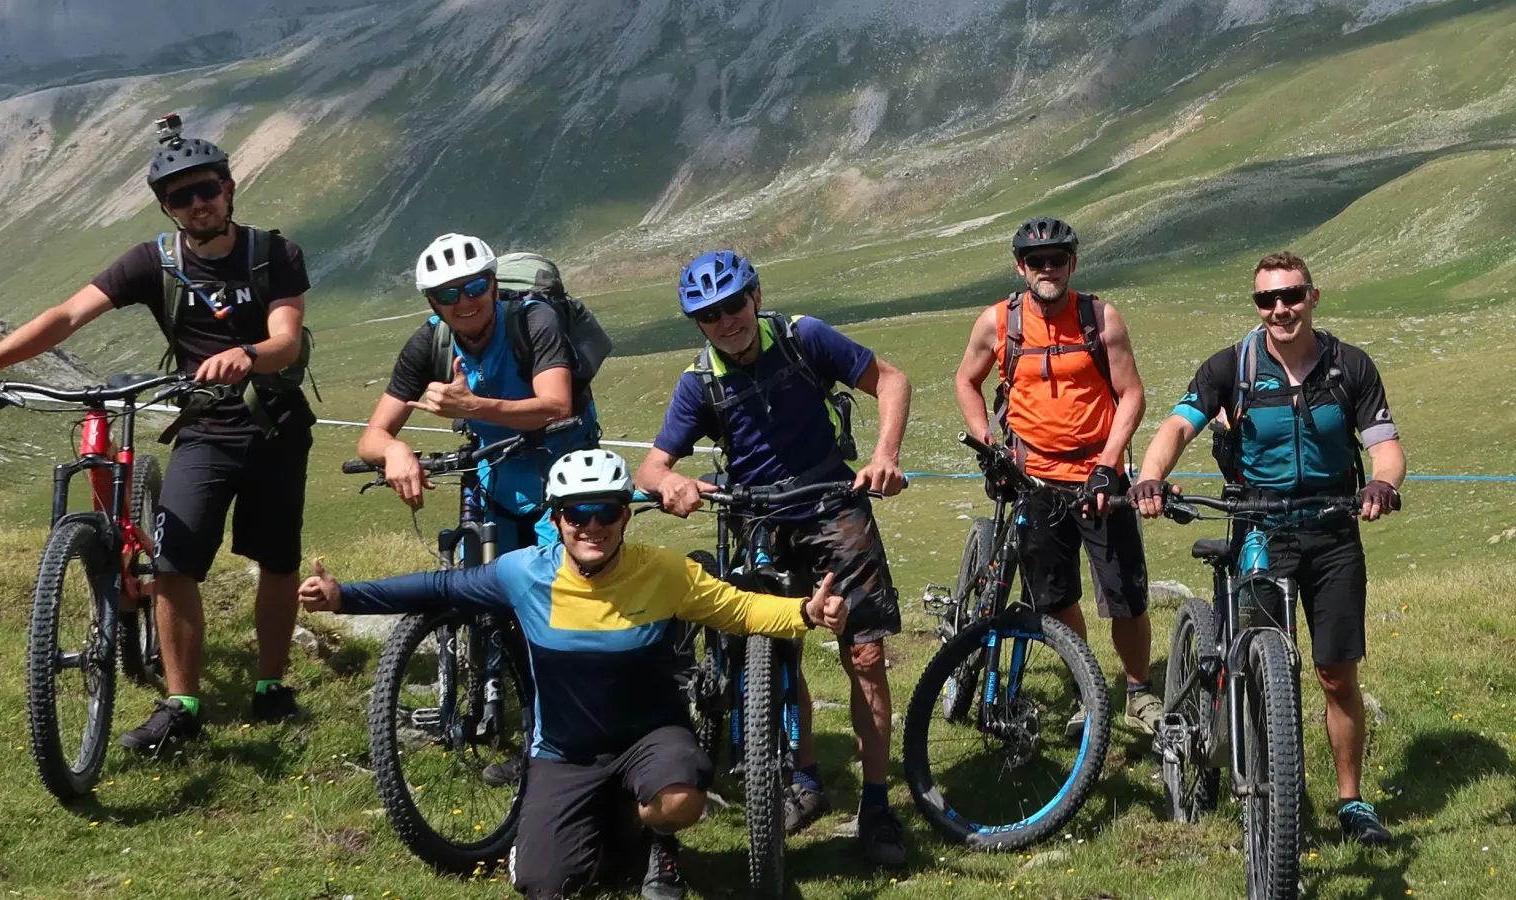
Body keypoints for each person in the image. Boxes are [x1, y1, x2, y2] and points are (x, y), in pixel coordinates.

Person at [298, 450, 848, 900]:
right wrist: (344, 596)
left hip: (649, 738)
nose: (592, 526)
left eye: (606, 511)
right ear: (556, 518)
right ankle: (611, 825)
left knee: (683, 799)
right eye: (577, 512)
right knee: (544, 883)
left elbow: (739, 609)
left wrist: (805, 613)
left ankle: (661, 843)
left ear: (626, 516)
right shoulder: (525, 574)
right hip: (564, 751)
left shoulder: (663, 571)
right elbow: (439, 589)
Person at [0, 115, 314, 748]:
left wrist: (246, 354)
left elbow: (285, 341)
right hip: (204, 430)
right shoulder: (151, 262)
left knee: (276, 560)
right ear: (167, 207)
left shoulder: (275, 254)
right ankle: (182, 705)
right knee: (171, 562)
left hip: (272, 424)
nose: (198, 204)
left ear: (229, 187)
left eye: (207, 190)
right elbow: (65, 316)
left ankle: (271, 687)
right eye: (181, 197)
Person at [632, 250, 912, 867]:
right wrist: (666, 485)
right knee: (775, 655)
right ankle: (803, 781)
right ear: (697, 323)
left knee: (864, 655)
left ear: (755, 297)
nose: (726, 321)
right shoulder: (698, 382)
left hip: (832, 505)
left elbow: (891, 380)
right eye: (709, 315)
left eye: (734, 304)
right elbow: (651, 465)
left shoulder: (803, 338)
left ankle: (876, 803)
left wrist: (885, 453)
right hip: (754, 516)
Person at [1130, 250, 1405, 845]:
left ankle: (1351, 803)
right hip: (1258, 527)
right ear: (1257, 305)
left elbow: (1385, 443)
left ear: (1313, 297)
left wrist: (1383, 483)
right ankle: (1271, 791)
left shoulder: (1348, 366)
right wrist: (1152, 475)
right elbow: (1178, 426)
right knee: (1257, 664)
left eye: (1292, 295)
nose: (1280, 308)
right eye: (1267, 299)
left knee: (1336, 675)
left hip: (1333, 529)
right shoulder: (1231, 366)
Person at [357, 233, 599, 786]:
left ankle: (566, 747)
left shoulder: (533, 321)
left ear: (493, 283)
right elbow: (373, 433)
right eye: (448, 294)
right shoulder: (430, 344)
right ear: (432, 304)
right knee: (492, 605)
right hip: (492, 481)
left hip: (558, 478)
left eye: (475, 286)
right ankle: (523, 724)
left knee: (556, 611)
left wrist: (473, 406)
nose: (465, 301)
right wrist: (395, 451)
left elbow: (556, 403)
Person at [953, 216, 1163, 737]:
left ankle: (1138, 692)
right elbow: (966, 381)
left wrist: (1107, 466)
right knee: (1054, 595)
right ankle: (1086, 689)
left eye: (1057, 259)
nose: (1047, 269)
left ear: (1072, 262)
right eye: (1036, 261)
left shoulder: (1100, 318)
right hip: (1034, 479)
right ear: (1021, 266)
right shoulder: (998, 322)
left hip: (1097, 472)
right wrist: (988, 444)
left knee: (1125, 595)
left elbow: (1131, 394)